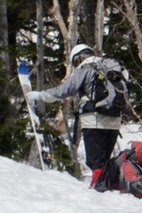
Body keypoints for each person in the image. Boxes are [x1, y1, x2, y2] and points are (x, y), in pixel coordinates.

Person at [27, 44, 133, 190]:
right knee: (105, 160)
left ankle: (98, 190)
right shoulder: (110, 66)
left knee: (95, 161)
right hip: (114, 120)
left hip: (93, 120)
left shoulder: (86, 68)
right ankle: (108, 187)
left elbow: (65, 90)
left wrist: (40, 95)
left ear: (78, 58)